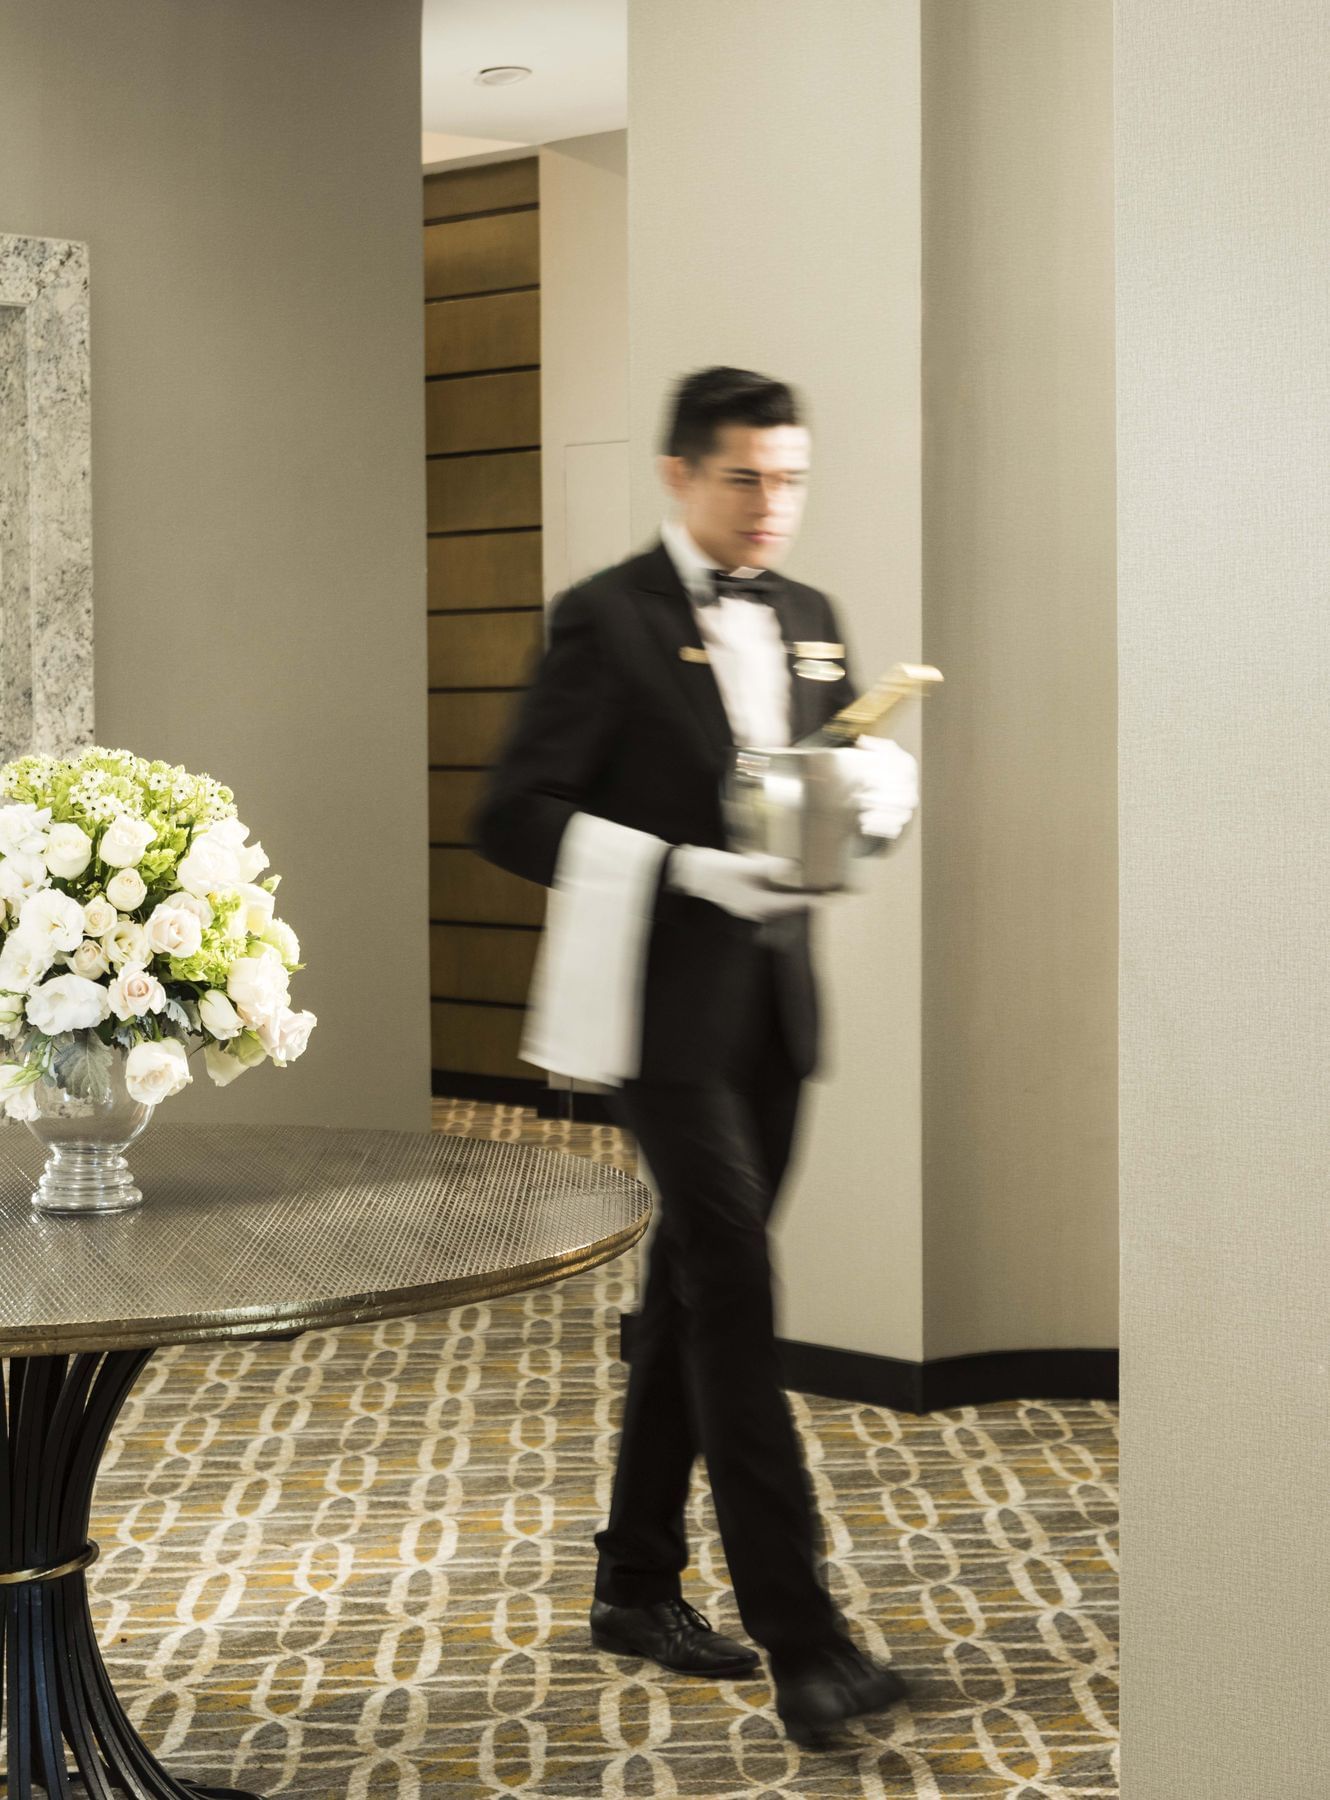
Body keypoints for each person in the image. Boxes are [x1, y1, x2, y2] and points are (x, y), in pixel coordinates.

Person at [473, 365, 919, 1747]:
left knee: (686, 1287)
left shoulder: (813, 618)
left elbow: (810, 788)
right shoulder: (604, 621)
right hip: (659, 1021)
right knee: (733, 1286)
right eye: (744, 479)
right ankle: (807, 1638)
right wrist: (682, 872)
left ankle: (633, 1584)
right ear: (678, 476)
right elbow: (509, 815)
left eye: (790, 478)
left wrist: (873, 808)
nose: (771, 505)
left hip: (775, 1013)